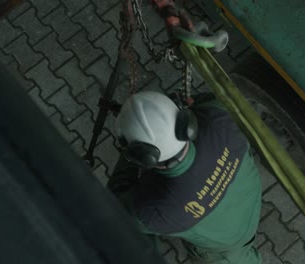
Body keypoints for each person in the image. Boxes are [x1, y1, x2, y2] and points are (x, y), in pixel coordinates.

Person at [107, 91, 262, 263]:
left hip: (225, 247)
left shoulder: (156, 211)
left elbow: (115, 203)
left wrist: (129, 158)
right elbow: (204, 99)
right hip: (251, 202)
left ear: (143, 156)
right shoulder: (217, 117)